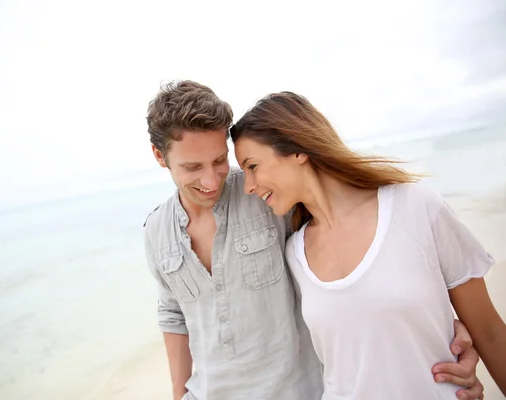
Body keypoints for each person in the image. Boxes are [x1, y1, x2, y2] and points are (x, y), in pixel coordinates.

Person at [143, 80, 484, 400]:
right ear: (160, 157)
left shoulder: (265, 196)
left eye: (219, 160)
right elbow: (172, 314)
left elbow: (350, 257)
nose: (210, 179)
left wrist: (439, 328)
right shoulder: (156, 231)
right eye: (192, 167)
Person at [230, 90, 506, 399]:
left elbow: (490, 332)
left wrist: (450, 337)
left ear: (297, 150)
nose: (249, 186)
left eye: (252, 166)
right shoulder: (294, 255)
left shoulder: (416, 207)